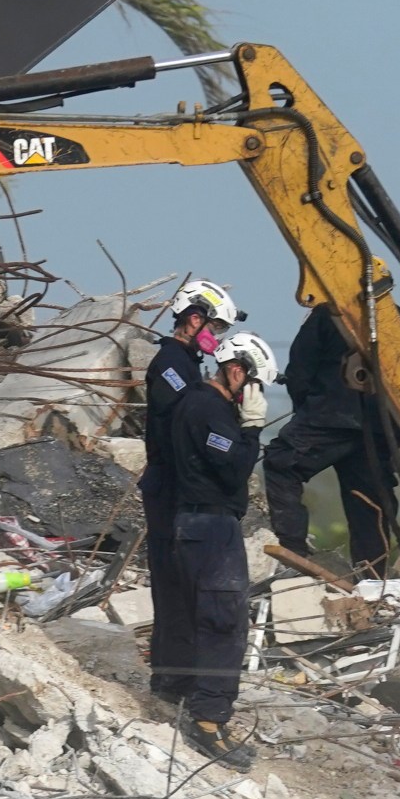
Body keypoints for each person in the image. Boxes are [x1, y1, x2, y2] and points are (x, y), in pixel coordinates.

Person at [263, 264, 400, 574]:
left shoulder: (329, 314)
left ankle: (292, 551)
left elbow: (299, 372)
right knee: (371, 502)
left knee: (281, 464)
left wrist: (307, 412)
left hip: (328, 418)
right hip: (378, 430)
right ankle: (372, 577)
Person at [167, 330, 275, 770]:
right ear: (236, 371)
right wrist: (251, 430)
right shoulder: (207, 408)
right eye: (256, 385)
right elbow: (233, 470)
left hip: (202, 525)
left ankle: (209, 710)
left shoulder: (199, 404)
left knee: (212, 619)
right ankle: (208, 721)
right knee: (224, 622)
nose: (257, 396)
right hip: (210, 526)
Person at [137, 279, 242, 704]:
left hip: (175, 485)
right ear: (194, 318)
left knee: (181, 584)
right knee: (174, 585)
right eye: (214, 328)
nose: (215, 338)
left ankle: (174, 676)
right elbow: (186, 419)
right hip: (167, 487)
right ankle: (172, 680)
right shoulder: (170, 364)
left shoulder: (186, 363)